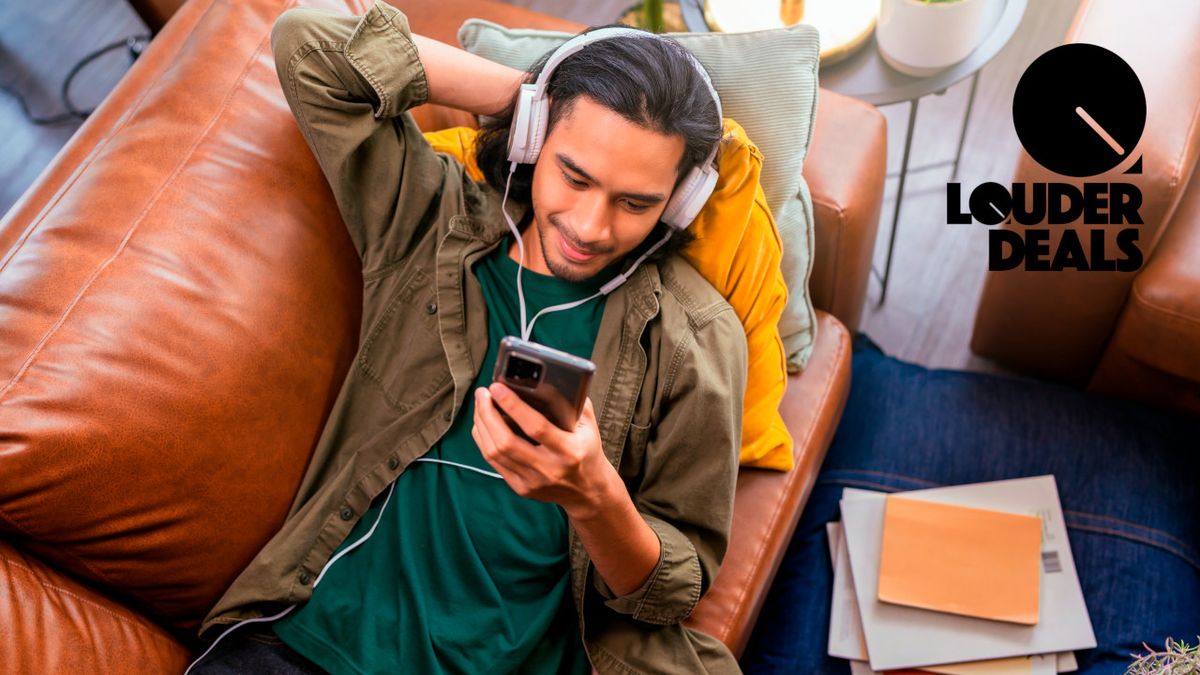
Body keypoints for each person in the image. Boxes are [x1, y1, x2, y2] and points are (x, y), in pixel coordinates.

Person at [186, 1, 748, 673]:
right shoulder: (430, 219)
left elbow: (674, 588)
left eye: (636, 202)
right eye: (575, 175)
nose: (592, 226)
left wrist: (592, 493)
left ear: (679, 201)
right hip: (312, 649)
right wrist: (530, 99)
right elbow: (306, 46)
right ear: (535, 142)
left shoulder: (696, 338)